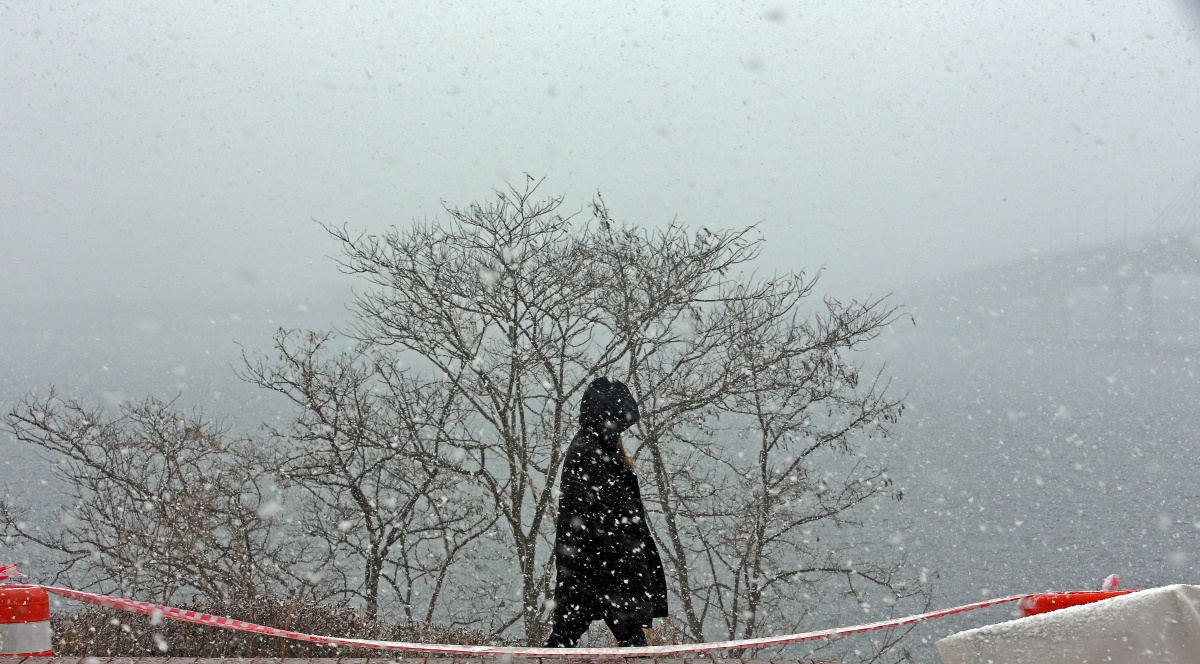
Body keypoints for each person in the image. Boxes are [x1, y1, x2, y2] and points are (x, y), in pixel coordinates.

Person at [545, 377, 669, 648]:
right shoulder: (591, 452)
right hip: (602, 567)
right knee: (624, 641)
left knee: (567, 637)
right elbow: (600, 518)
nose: (623, 429)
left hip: (596, 568)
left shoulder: (596, 448)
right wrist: (624, 558)